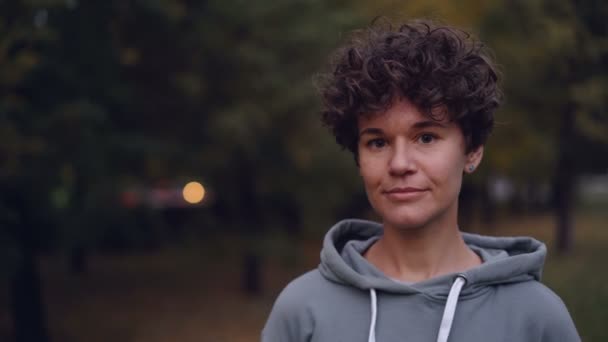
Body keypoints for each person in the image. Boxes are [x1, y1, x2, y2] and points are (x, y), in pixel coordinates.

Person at [261, 19, 580, 342]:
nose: (400, 164)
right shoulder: (302, 311)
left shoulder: (536, 316)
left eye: (426, 137)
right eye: (378, 142)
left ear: (472, 151)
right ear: (359, 158)